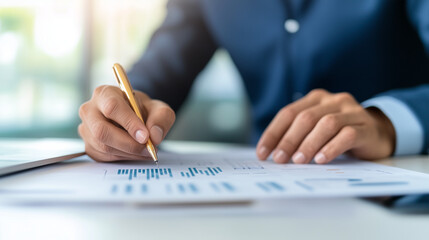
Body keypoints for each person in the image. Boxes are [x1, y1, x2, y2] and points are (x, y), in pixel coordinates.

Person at [78, 0, 429, 164]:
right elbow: (154, 79)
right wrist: (117, 116)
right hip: (260, 188)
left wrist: (386, 123)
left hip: (396, 186)